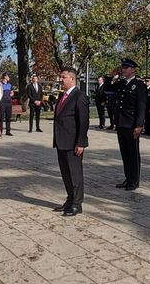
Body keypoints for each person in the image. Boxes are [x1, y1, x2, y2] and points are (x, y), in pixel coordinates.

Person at [52, 67, 90, 217]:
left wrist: (81, 142)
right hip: (61, 141)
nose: (61, 80)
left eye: (63, 77)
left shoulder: (79, 96)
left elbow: (83, 121)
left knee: (75, 174)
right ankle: (69, 200)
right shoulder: (64, 95)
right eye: (60, 77)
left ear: (72, 79)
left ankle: (77, 204)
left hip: (73, 142)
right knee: (65, 173)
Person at [114, 58, 147, 191]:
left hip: (131, 124)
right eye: (122, 67)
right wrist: (111, 75)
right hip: (121, 123)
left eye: (126, 68)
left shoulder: (139, 85)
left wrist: (139, 125)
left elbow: (141, 106)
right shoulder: (121, 83)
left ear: (133, 69)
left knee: (133, 153)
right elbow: (108, 88)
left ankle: (134, 181)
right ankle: (128, 178)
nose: (123, 70)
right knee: (124, 153)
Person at [0, 72, 14, 136]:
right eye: (8, 76)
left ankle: (8, 131)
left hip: (9, 102)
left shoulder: (10, 84)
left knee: (8, 117)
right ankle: (0, 132)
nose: (9, 77)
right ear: (5, 76)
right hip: (2, 102)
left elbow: (12, 92)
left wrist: (11, 95)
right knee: (1, 117)